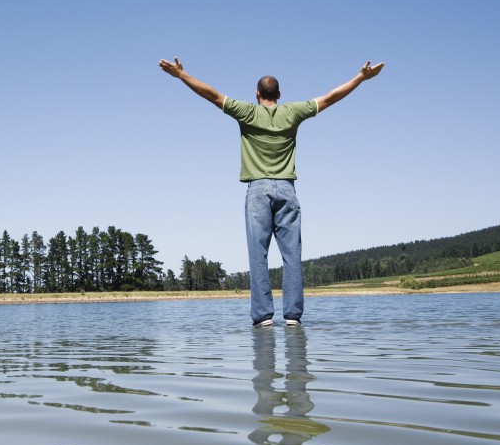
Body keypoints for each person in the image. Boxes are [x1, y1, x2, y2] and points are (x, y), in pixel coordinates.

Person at [158, 57, 385, 326]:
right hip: (287, 190)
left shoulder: (247, 112)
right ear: (278, 95)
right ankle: (293, 317)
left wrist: (182, 75)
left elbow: (212, 95)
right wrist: (360, 78)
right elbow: (330, 98)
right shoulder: (293, 112)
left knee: (258, 256)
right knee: (292, 256)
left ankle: (263, 317)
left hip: (258, 190)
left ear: (257, 94)